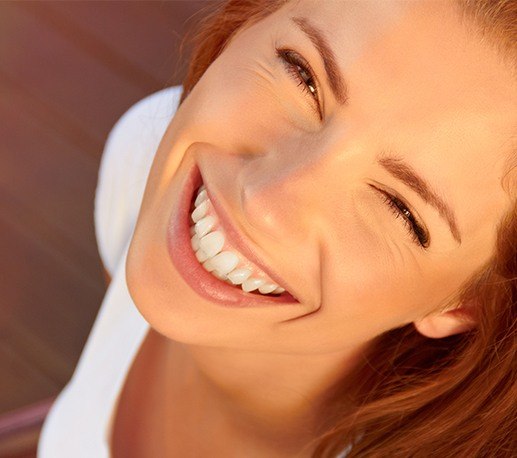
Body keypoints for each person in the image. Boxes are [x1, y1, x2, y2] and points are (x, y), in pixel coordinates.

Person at [38, 0, 516, 456]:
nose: (266, 202)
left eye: (399, 208)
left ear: (464, 304)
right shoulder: (144, 157)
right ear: (246, 22)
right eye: (302, 75)